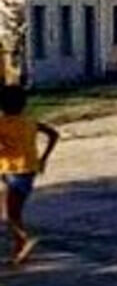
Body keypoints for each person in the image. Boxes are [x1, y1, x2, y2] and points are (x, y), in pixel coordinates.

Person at [0, 85, 59, 265]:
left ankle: (26, 240)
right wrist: (43, 158)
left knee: (10, 215)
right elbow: (53, 134)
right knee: (14, 213)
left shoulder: (2, 124)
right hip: (29, 170)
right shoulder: (30, 121)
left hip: (14, 172)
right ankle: (20, 252)